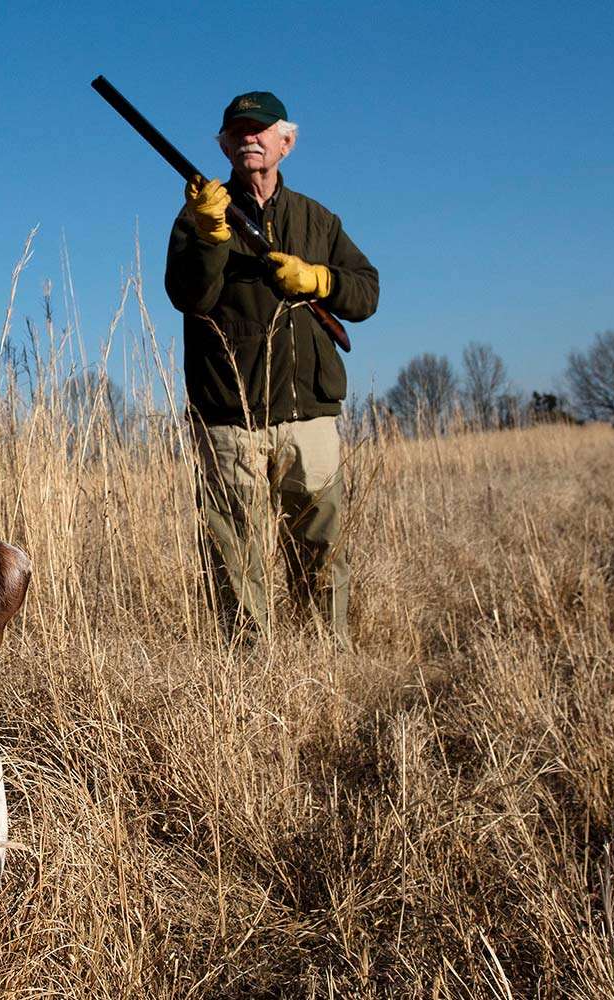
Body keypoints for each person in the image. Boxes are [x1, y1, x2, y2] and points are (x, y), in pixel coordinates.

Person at [163, 91, 379, 645]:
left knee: (321, 543)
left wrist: (318, 280)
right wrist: (212, 236)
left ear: (287, 141)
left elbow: (366, 292)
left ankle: (326, 655)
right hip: (228, 416)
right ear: (223, 146)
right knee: (234, 551)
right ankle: (251, 667)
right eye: (236, 132)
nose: (247, 138)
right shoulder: (199, 216)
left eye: (259, 130)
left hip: (308, 412)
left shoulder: (318, 220)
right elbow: (188, 295)